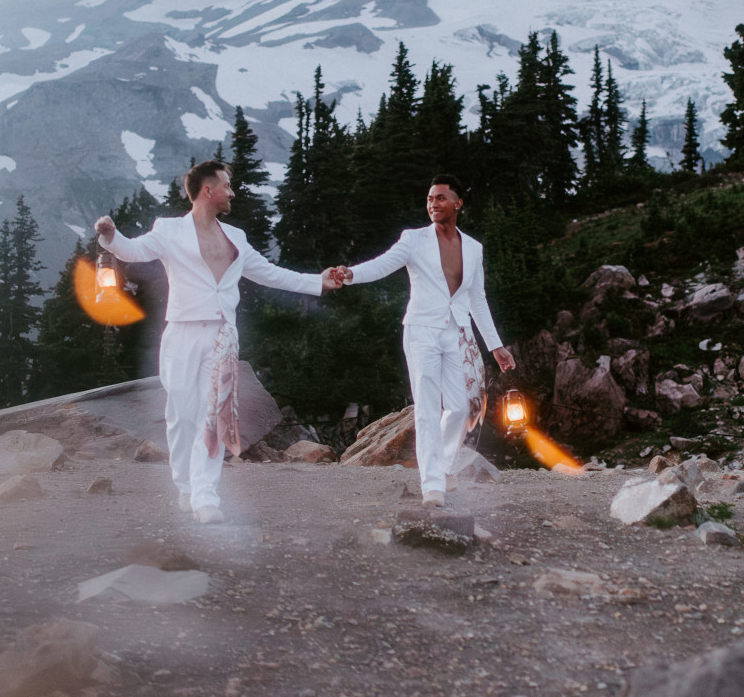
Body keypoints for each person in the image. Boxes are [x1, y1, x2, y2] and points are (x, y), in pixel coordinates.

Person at [95, 161, 344, 524]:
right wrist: (109, 236)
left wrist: (316, 282)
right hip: (181, 332)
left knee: (214, 416)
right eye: (227, 185)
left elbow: (269, 273)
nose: (233, 192)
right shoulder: (169, 230)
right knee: (180, 415)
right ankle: (184, 486)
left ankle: (206, 495)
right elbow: (132, 250)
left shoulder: (237, 239)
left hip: (222, 335)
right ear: (207, 191)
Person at [336, 176, 515, 507]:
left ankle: (444, 467)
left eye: (441, 198)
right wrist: (351, 275)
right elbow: (382, 265)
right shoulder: (413, 240)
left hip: (457, 332)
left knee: (462, 407)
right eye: (430, 198)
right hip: (421, 331)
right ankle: (432, 483)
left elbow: (478, 299)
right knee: (428, 408)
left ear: (458, 203)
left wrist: (496, 345)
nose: (433, 203)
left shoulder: (473, 248)